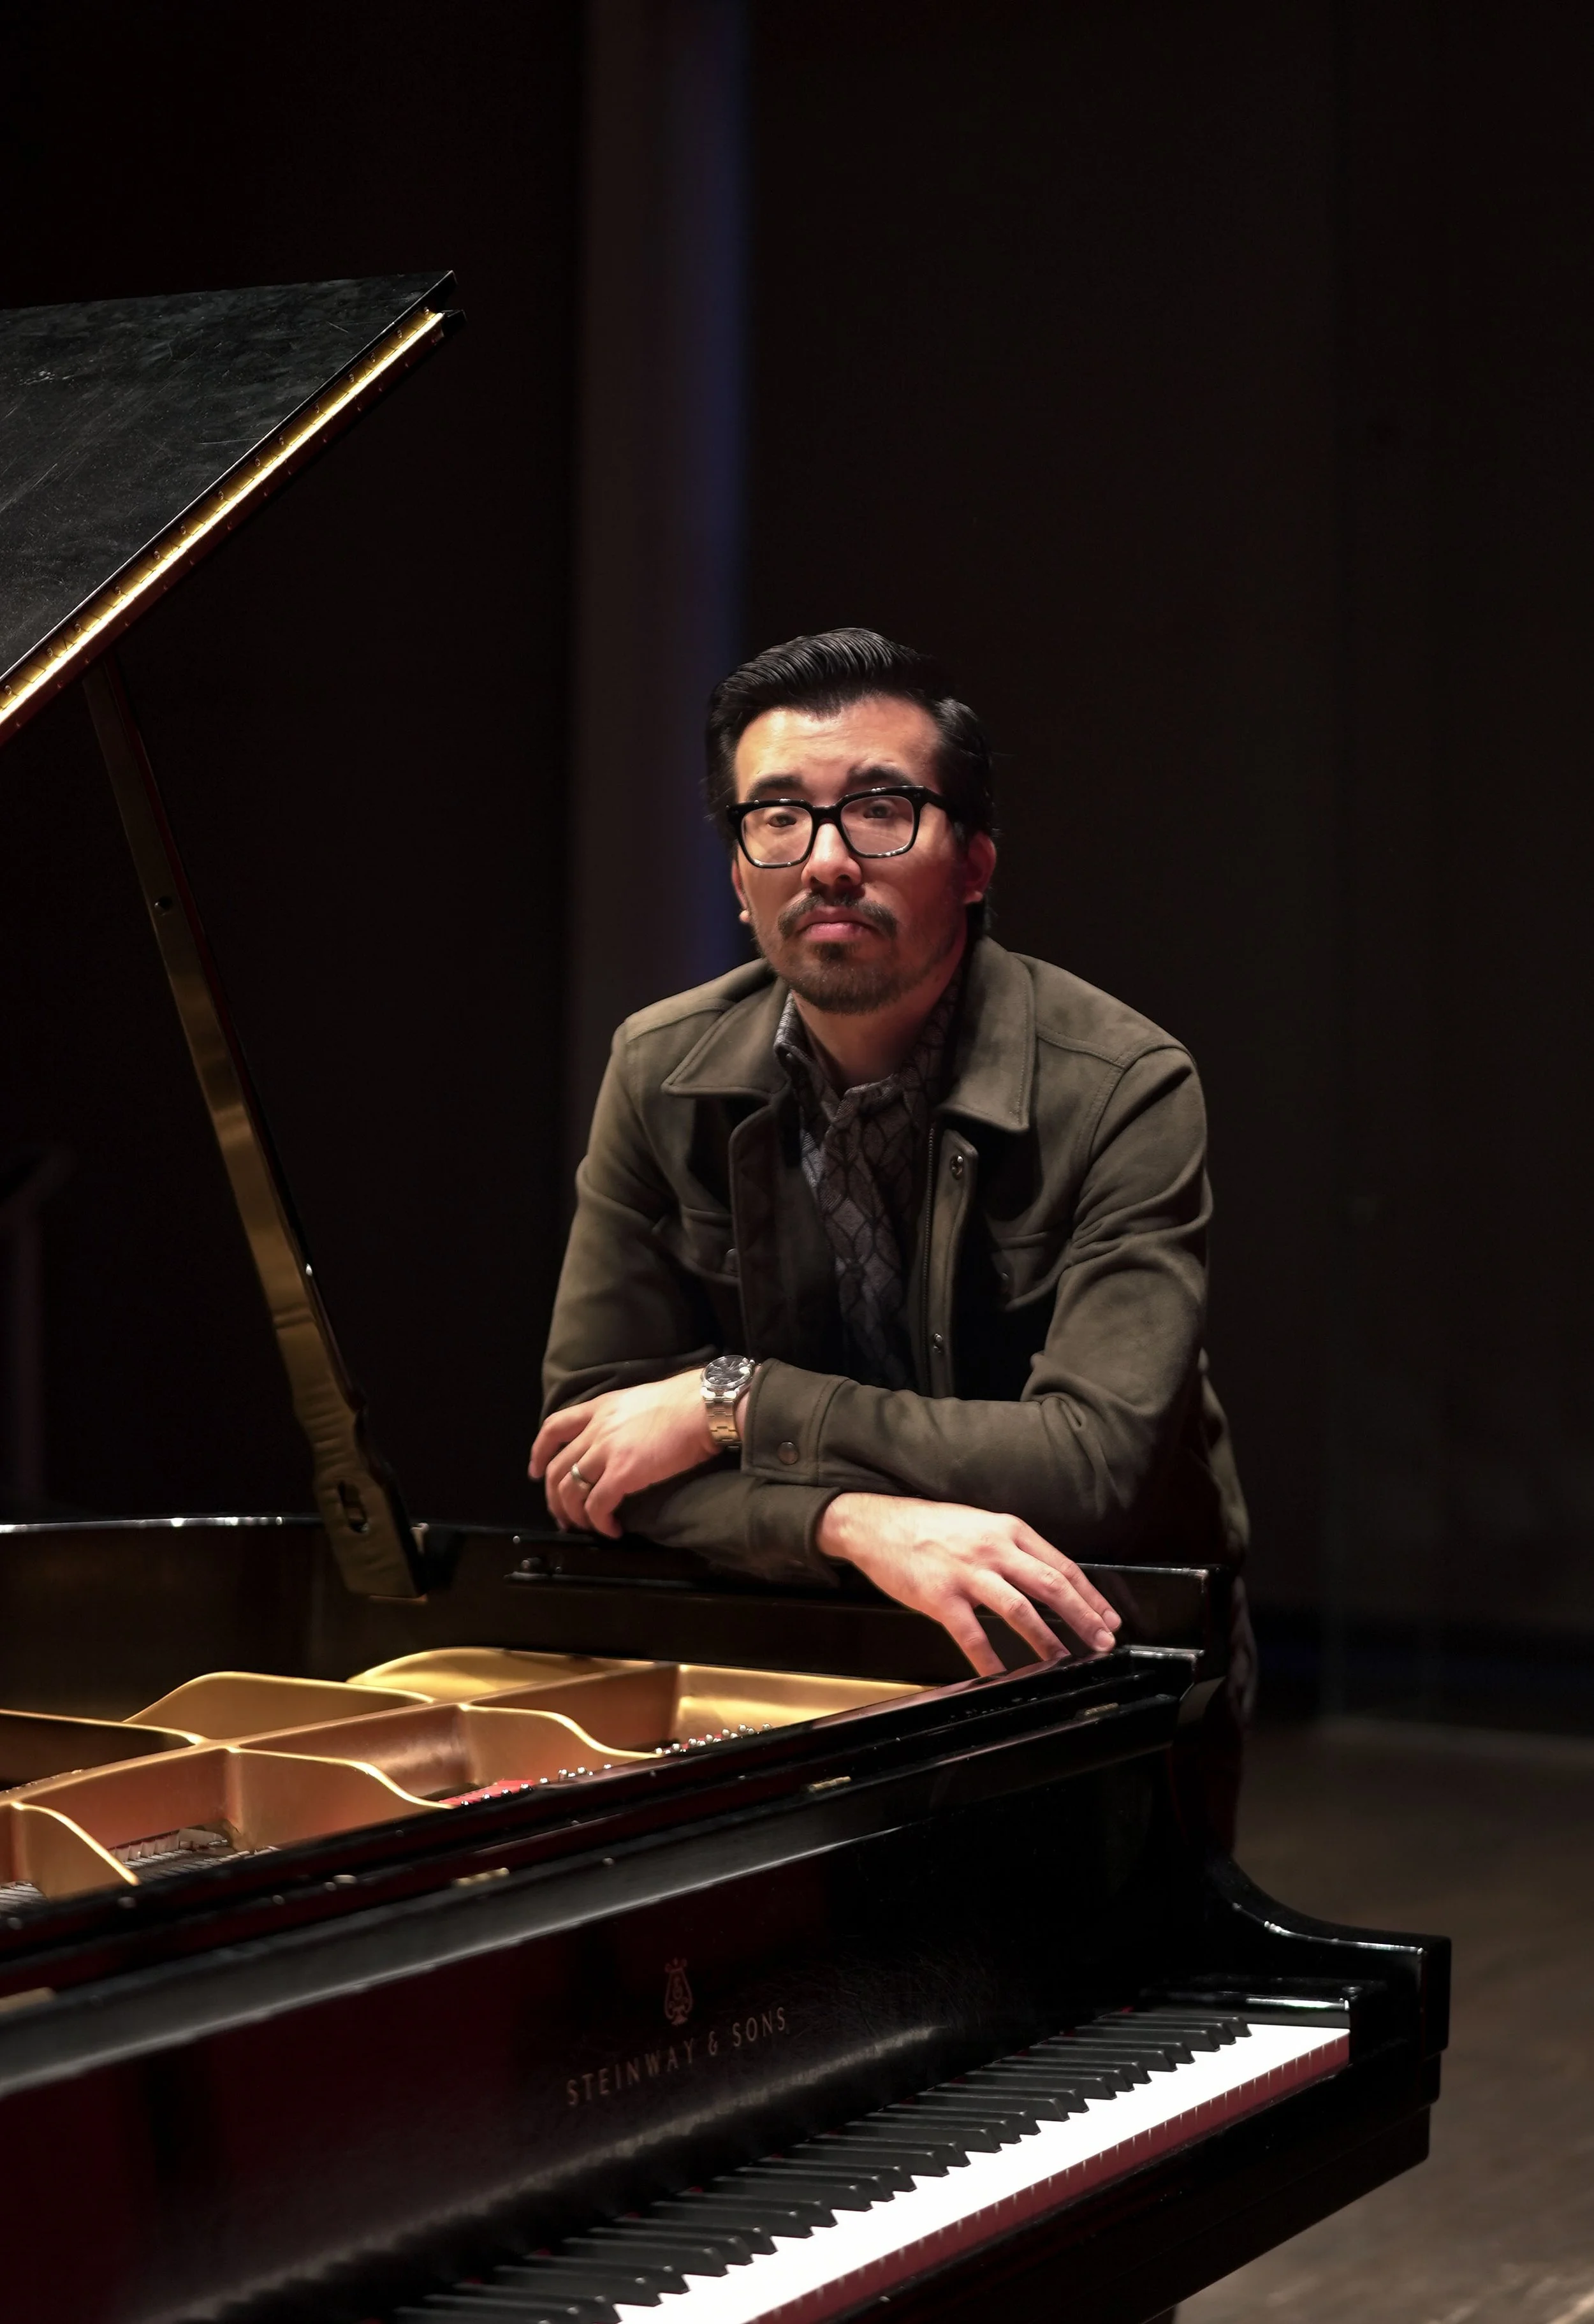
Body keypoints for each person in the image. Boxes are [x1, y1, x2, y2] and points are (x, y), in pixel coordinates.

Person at [531, 628, 1252, 1829]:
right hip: (786, 1655)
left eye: (881, 812)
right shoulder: (656, 1071)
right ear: (737, 874)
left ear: (974, 863)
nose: (825, 861)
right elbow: (589, 1458)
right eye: (779, 818)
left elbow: (1093, 1467)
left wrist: (739, 1402)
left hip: (1089, 1655)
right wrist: (848, 1522)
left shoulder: (1124, 1081)